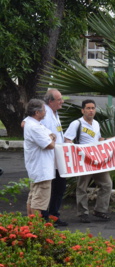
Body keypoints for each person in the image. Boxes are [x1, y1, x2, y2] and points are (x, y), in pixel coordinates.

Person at [64, 99, 113, 223]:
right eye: (88, 108)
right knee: (82, 187)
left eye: (93, 108)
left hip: (97, 160)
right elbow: (67, 140)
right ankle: (83, 213)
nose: (91, 110)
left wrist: (110, 141)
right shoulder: (76, 124)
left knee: (106, 184)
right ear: (83, 110)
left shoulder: (96, 123)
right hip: (83, 161)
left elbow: (99, 138)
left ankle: (100, 210)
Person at [23, 99, 57, 220]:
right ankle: (36, 228)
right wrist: (52, 138)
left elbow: (52, 135)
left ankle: (30, 226)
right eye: (43, 110)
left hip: (38, 168)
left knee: (33, 197)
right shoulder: (34, 127)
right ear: (37, 112)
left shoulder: (34, 124)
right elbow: (50, 144)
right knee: (38, 202)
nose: (45, 112)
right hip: (42, 169)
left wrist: (51, 137)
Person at [40, 89, 67, 226]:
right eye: (59, 99)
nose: (62, 102)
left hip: (59, 158)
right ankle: (45, 217)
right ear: (50, 101)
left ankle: (54, 215)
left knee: (60, 187)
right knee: (47, 189)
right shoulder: (44, 113)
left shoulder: (55, 113)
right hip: (49, 158)